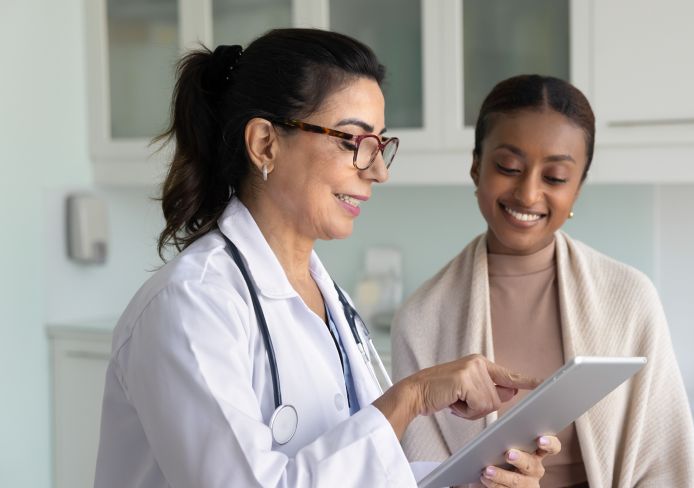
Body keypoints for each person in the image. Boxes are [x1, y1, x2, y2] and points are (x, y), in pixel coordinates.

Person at [93, 29, 557, 488]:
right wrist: (410, 397)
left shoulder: (330, 300)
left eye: (379, 145)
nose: (377, 171)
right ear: (265, 144)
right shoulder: (189, 305)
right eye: (352, 142)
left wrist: (479, 477)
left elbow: (353, 471)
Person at [392, 75, 694, 488]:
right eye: (508, 167)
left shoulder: (630, 300)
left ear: (577, 189)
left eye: (555, 177)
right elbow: (419, 477)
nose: (528, 193)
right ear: (475, 166)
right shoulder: (421, 319)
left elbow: (667, 465)